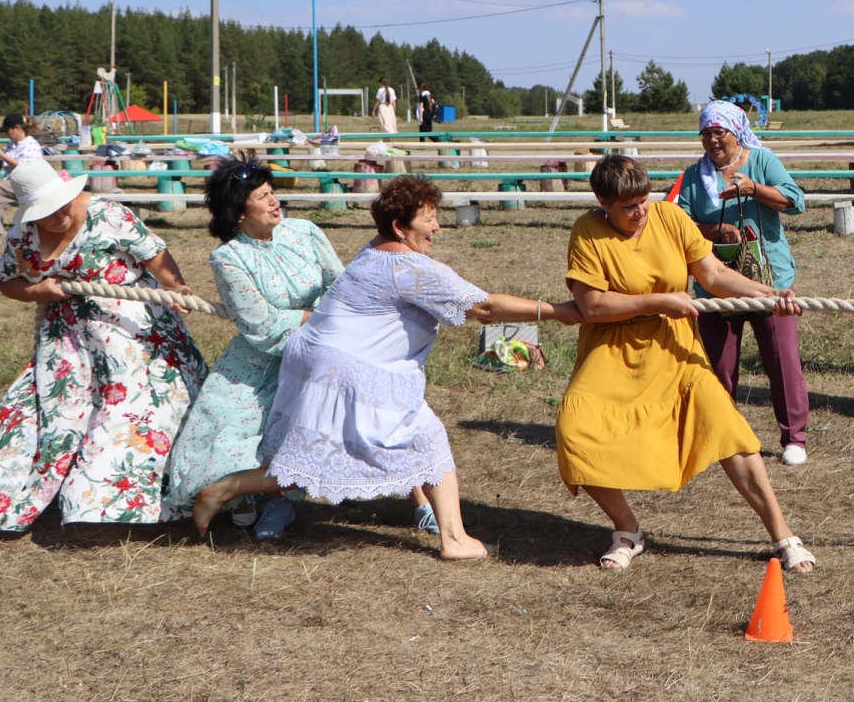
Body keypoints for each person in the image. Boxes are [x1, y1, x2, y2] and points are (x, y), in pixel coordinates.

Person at [191, 176, 577, 559]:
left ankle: (452, 537)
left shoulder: (374, 249)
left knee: (347, 448)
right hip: (347, 369)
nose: (437, 226)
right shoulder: (408, 267)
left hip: (318, 358)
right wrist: (561, 312)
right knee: (374, 446)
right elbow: (485, 308)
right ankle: (227, 488)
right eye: (428, 219)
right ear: (399, 227)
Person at [556, 155, 816, 574]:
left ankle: (783, 535)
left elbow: (713, 273)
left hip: (674, 346)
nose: (639, 211)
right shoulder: (587, 231)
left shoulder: (670, 219)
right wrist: (661, 301)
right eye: (627, 206)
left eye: (643, 199)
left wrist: (769, 293)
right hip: (613, 347)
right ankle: (627, 530)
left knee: (729, 429)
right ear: (603, 203)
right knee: (576, 426)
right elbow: (592, 305)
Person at [0, 159, 209, 529]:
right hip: (67, 339)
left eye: (61, 205)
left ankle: (109, 500)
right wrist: (39, 290)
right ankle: (11, 495)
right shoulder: (22, 237)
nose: (58, 216)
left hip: (135, 328)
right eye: (46, 213)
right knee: (56, 413)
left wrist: (174, 288)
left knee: (136, 404)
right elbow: (5, 281)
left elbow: (154, 254)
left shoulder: (108, 213)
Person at [162, 164, 344, 541]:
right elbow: (260, 324)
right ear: (239, 213)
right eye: (261, 197)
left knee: (296, 429)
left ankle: (278, 503)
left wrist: (330, 320)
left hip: (317, 351)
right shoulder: (229, 258)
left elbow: (340, 286)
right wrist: (320, 315)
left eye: (271, 190)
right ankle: (238, 498)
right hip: (259, 356)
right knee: (226, 426)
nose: (274, 200)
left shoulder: (306, 232)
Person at [673, 101, 812, 465]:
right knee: (717, 365)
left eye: (720, 132)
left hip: (770, 281)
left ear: (736, 132)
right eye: (706, 134)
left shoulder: (763, 161)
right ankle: (723, 435)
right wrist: (715, 229)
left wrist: (754, 189)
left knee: (781, 360)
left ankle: (793, 437)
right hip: (716, 284)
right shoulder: (693, 176)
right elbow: (678, 222)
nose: (713, 140)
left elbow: (795, 201)